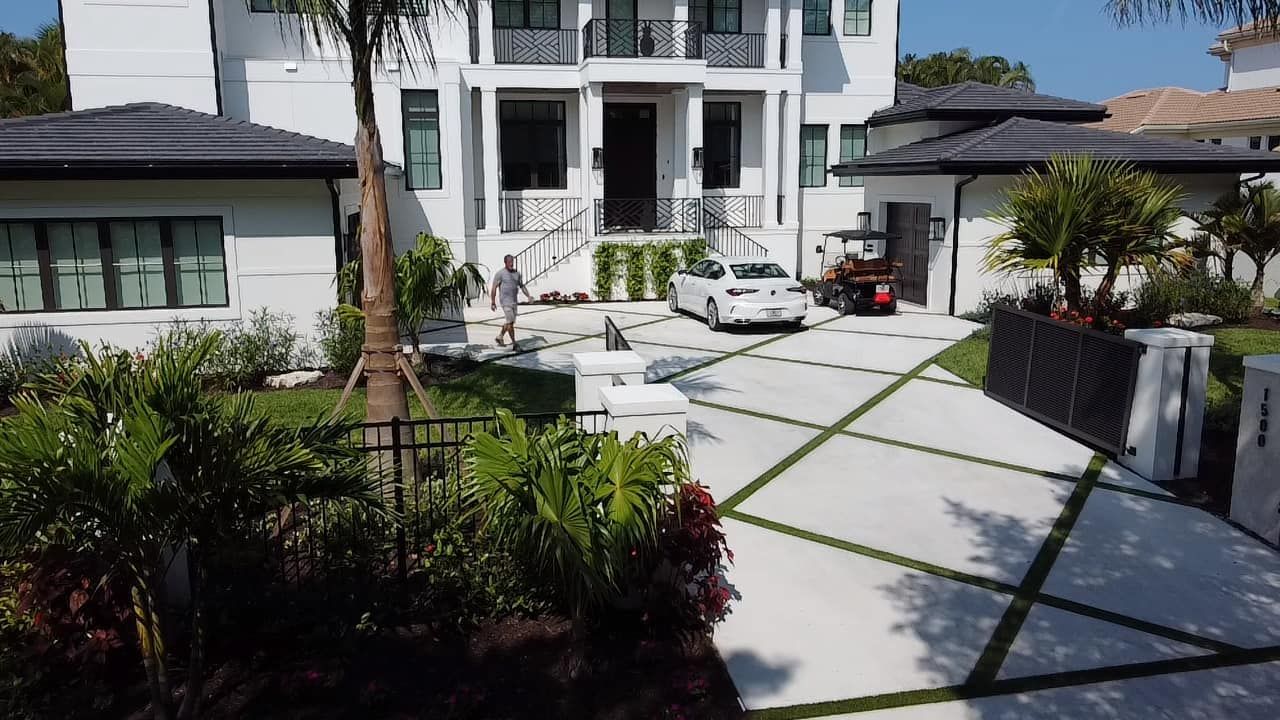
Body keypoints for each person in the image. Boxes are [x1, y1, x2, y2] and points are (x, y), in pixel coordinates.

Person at [490, 254, 532, 347]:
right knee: (510, 323)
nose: (511, 263)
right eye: (509, 262)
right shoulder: (500, 273)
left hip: (514, 301)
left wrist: (528, 296)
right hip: (505, 302)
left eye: (512, 261)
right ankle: (514, 343)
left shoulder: (517, 273)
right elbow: (494, 288)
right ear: (505, 262)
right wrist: (493, 302)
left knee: (510, 322)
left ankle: (500, 337)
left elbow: (522, 286)